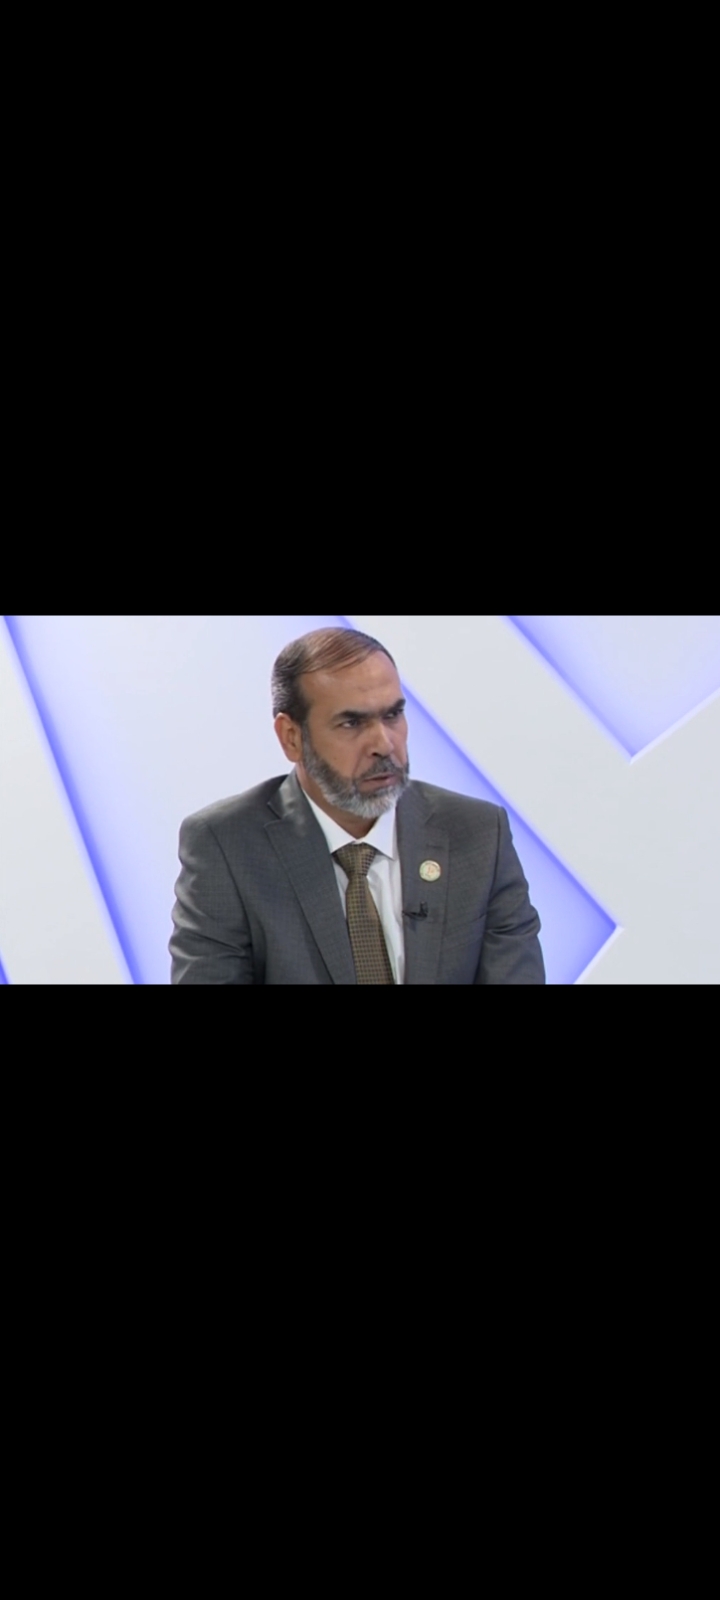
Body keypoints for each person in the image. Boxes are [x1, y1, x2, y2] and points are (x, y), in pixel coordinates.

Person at [170, 626, 545, 984]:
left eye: (393, 715)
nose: (384, 744)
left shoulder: (478, 834)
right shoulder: (227, 847)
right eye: (351, 723)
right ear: (291, 737)